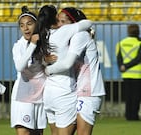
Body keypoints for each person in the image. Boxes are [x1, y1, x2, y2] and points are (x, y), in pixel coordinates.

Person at [31, 5, 92, 135]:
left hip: (48, 94)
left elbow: (40, 60)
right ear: (55, 19)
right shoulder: (64, 31)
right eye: (59, 18)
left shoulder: (43, 35)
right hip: (63, 92)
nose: (60, 22)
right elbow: (88, 23)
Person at [45, 7, 106, 135]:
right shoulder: (70, 38)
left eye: (62, 21)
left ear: (74, 23)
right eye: (57, 21)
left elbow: (67, 63)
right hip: (77, 90)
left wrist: (47, 69)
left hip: (89, 91)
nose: (59, 25)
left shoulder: (81, 35)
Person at [10, 6, 48, 135]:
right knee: (24, 132)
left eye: (29, 24)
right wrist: (32, 45)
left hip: (40, 96)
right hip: (23, 96)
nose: (25, 28)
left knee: (38, 133)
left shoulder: (44, 44)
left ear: (36, 25)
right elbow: (20, 67)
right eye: (22, 25)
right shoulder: (19, 46)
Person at [115, 24, 141, 121]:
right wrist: (127, 66)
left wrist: (122, 67)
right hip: (137, 74)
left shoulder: (121, 43)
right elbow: (138, 58)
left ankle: (128, 115)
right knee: (136, 97)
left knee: (128, 96)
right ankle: (134, 116)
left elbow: (119, 57)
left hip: (125, 73)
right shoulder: (139, 43)